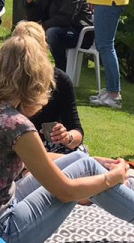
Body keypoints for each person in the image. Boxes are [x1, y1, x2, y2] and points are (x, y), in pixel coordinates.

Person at [0, 30, 134, 243]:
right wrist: (112, 177)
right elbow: (65, 192)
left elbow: (36, 160)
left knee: (81, 161)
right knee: (81, 171)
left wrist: (93, 161)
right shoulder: (15, 125)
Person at [11, 21, 85, 154]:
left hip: (49, 148)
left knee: (81, 154)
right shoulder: (5, 80)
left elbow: (76, 130)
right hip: (14, 147)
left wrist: (66, 137)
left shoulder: (59, 80)